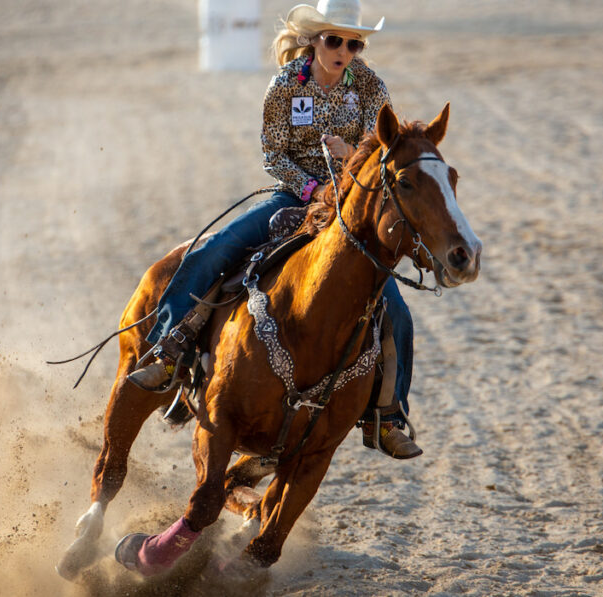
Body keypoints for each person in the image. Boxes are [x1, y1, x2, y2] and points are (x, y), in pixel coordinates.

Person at [130, 0, 421, 459]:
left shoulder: (369, 87)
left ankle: (387, 415)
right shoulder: (285, 85)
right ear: (314, 39)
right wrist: (309, 189)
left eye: (354, 42)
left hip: (350, 210)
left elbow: (377, 156)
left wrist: (347, 154)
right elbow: (273, 155)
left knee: (397, 311)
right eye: (335, 40)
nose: (344, 50)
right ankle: (168, 349)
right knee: (217, 250)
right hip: (294, 196)